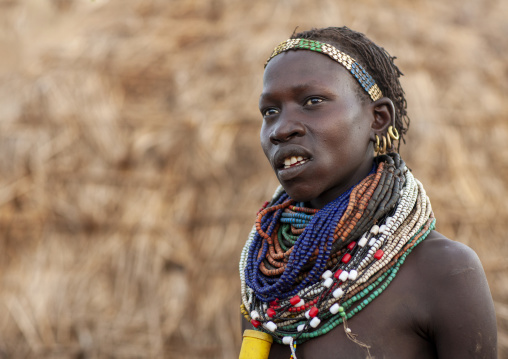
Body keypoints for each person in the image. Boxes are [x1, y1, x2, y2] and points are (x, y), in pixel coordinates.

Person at [239, 27, 497, 359]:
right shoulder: (265, 285)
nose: (282, 128)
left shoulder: (443, 271)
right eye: (269, 111)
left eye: (312, 101)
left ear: (378, 118)